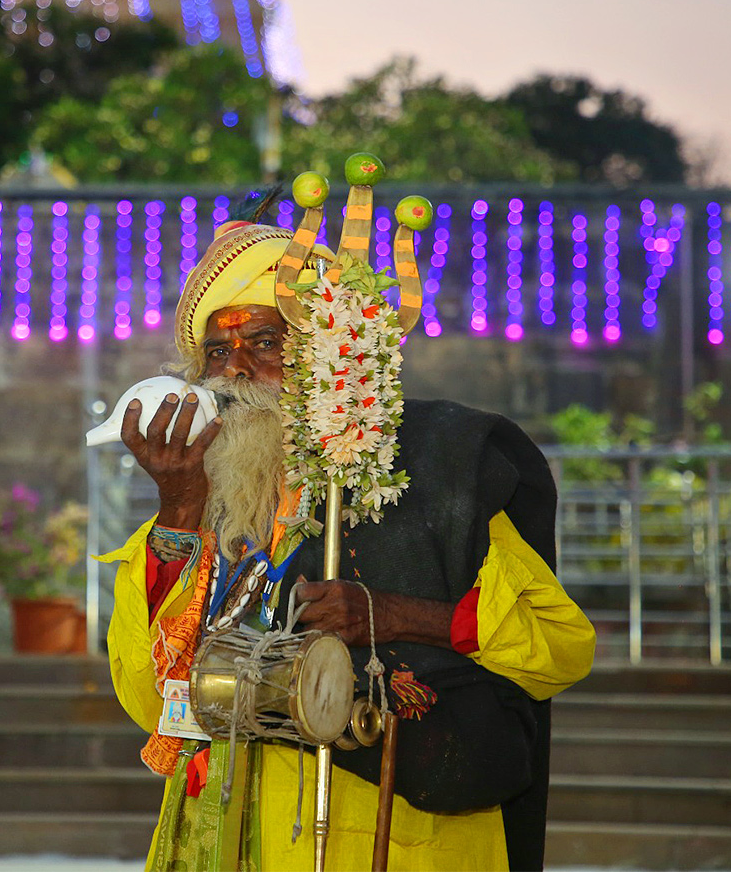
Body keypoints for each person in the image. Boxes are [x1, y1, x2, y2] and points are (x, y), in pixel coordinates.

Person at [103, 211, 596, 872]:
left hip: (386, 841)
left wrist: (396, 616)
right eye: (217, 353)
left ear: (326, 356)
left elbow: (561, 649)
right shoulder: (190, 511)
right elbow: (148, 700)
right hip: (224, 841)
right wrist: (178, 513)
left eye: (265, 342)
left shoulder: (428, 469)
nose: (236, 371)